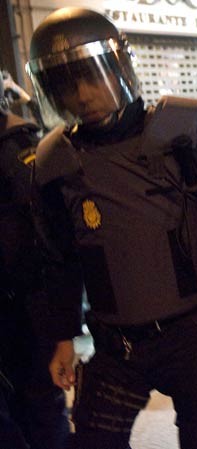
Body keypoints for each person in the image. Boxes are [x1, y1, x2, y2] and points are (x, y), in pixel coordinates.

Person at [26, 7, 197, 449]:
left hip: (192, 333)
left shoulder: (181, 129)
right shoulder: (53, 162)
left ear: (119, 67)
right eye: (67, 83)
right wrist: (63, 337)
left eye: (90, 75)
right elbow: (59, 259)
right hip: (115, 344)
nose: (83, 94)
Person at [0, 69, 70, 449]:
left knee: (41, 408)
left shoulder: (17, 143)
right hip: (22, 302)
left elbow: (44, 231)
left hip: (27, 304)